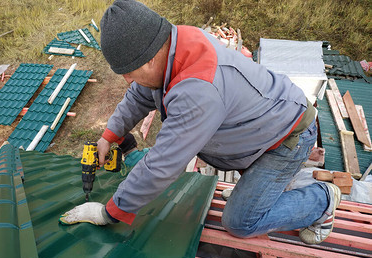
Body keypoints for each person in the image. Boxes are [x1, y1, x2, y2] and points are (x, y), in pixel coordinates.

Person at [61, 0, 341, 245]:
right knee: (244, 200)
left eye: (129, 72)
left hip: (285, 138)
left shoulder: (198, 89)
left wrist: (110, 212)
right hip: (258, 126)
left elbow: (162, 165)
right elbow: (139, 95)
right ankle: (257, 188)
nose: (127, 80)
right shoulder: (171, 43)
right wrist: (109, 135)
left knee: (241, 222)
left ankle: (322, 200)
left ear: (148, 60)